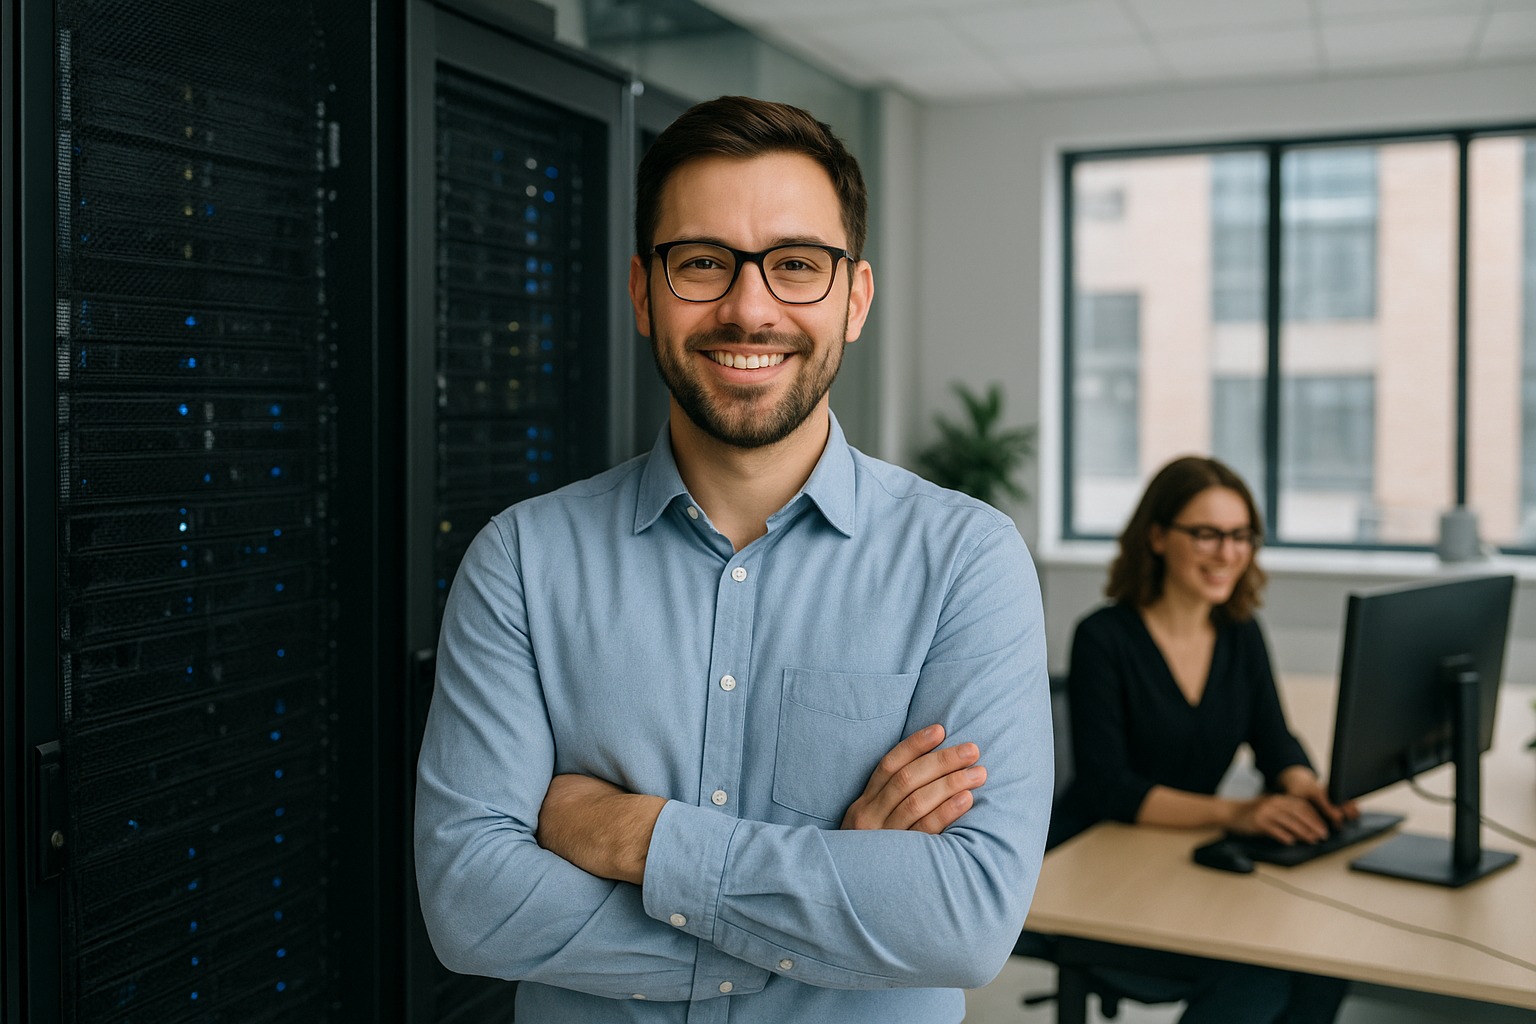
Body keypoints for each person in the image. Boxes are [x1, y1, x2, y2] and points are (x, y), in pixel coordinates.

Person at [413, 95, 1053, 1024]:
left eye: (796, 265)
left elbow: (965, 922)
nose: (749, 308)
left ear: (855, 298)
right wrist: (828, 902)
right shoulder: (522, 561)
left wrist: (635, 835)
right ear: (643, 293)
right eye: (702, 263)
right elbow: (473, 907)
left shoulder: (966, 562)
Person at [1049, 454, 1352, 1023]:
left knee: (1323, 958)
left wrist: (1305, 786)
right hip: (1098, 866)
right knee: (1256, 975)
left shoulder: (1238, 632)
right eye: (1208, 534)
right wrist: (1235, 814)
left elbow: (1274, 739)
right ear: (1158, 537)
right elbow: (1109, 787)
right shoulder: (1104, 638)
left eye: (1240, 535)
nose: (1228, 553)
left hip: (1181, 858)